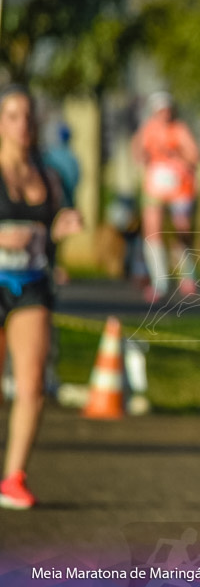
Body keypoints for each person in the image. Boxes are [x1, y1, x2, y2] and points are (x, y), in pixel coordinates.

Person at [0, 85, 83, 509]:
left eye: (28, 117)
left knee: (32, 385)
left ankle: (13, 477)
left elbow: (53, 230)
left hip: (31, 283)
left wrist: (61, 228)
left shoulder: (49, 175)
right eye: (13, 116)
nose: (22, 125)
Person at [131, 92, 200, 303]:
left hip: (180, 188)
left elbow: (195, 155)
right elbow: (136, 151)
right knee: (152, 231)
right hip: (155, 187)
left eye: (167, 109)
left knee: (182, 230)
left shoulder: (180, 129)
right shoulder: (148, 129)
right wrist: (145, 157)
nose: (164, 114)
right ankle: (159, 281)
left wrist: (177, 154)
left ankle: (187, 275)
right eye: (160, 110)